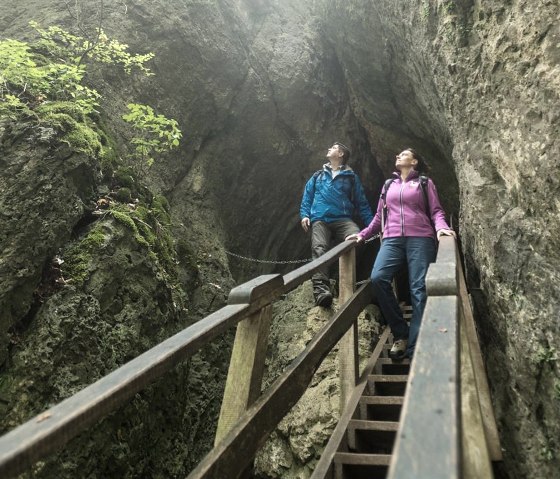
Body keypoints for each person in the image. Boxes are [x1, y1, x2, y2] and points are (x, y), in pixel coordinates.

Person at [346, 148, 455, 359]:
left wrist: (441, 227)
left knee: (419, 289)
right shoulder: (388, 185)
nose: (397, 156)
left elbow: (436, 211)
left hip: (420, 238)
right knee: (378, 278)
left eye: (403, 154)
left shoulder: (424, 183)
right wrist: (363, 234)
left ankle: (415, 347)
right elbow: (379, 216)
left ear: (414, 161)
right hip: (392, 239)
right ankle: (401, 334)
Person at [300, 142, 373, 307]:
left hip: (342, 219)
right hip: (320, 218)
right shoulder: (318, 175)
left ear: (341, 154)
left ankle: (344, 283)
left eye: (333, 147)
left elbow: (362, 203)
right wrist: (305, 215)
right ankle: (321, 290)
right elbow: (308, 195)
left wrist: (372, 226)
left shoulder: (351, 177)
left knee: (356, 239)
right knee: (319, 247)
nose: (329, 149)